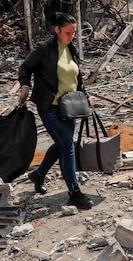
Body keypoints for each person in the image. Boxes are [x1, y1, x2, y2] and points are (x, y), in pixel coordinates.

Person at [17, 12, 92, 210]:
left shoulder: (72, 49)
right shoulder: (44, 49)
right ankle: (74, 193)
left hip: (71, 107)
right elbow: (25, 68)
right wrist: (25, 86)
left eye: (74, 32)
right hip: (49, 106)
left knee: (61, 144)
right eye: (68, 32)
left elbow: (77, 77)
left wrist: (85, 94)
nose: (72, 36)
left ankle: (38, 174)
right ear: (56, 30)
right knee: (67, 145)